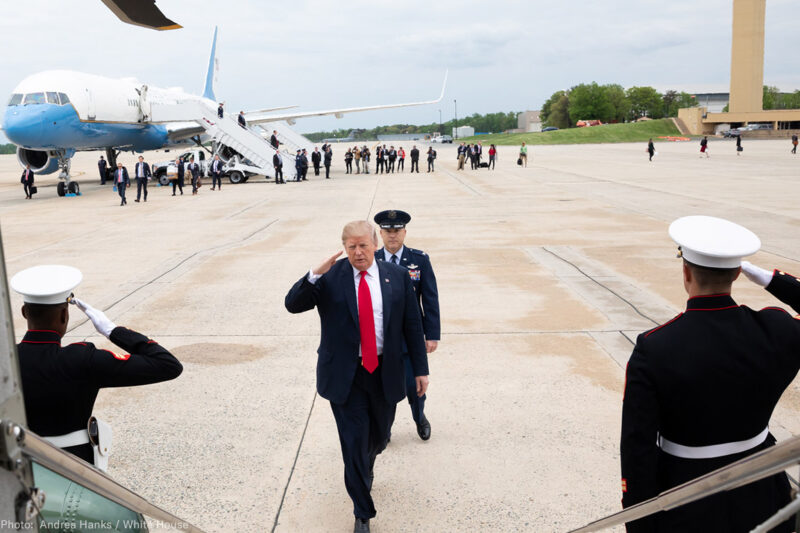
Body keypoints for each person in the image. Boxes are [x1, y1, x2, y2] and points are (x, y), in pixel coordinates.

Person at [620, 215, 800, 533]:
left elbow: (638, 450)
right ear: (738, 273)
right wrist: (772, 280)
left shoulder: (655, 347)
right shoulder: (778, 330)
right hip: (763, 491)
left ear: (686, 272)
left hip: (685, 497)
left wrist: (640, 523)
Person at [284, 220, 429, 533]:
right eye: (351, 247)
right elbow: (292, 305)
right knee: (352, 443)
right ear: (344, 248)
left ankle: (368, 462)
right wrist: (314, 274)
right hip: (345, 376)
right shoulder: (330, 277)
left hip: (385, 372)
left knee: (379, 436)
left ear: (375, 244)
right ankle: (362, 511)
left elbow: (412, 325)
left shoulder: (397, 276)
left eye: (363, 245)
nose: (358, 252)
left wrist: (420, 370)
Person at [10, 265, 182, 469]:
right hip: (76, 470)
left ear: (24, 312)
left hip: (16, 467)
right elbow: (168, 365)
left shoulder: (6, 362)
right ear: (64, 315)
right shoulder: (83, 359)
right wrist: (113, 331)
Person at [373, 210, 440, 441]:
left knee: (415, 385)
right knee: (384, 387)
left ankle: (419, 417)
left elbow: (430, 298)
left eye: (397, 230)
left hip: (411, 335)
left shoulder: (419, 260)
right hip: (383, 335)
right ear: (381, 233)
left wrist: (432, 334)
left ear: (405, 232)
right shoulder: (372, 259)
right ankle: (385, 428)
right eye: (388, 231)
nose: (393, 235)